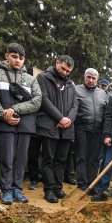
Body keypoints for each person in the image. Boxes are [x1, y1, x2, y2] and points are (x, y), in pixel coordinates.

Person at [0, 43, 42, 205]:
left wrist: (14, 108)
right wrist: (4, 115)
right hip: (4, 124)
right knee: (6, 157)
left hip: (25, 124)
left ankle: (17, 188)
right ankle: (6, 190)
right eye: (14, 56)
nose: (18, 60)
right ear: (7, 56)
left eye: (21, 58)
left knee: (20, 158)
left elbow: (37, 100)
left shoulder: (31, 79)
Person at [36, 55, 78, 203]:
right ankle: (49, 190)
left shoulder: (71, 84)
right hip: (49, 126)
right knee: (48, 159)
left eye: (68, 71)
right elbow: (44, 100)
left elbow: (75, 105)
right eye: (63, 68)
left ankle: (58, 188)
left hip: (66, 129)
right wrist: (60, 118)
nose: (64, 73)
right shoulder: (43, 78)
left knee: (61, 160)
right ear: (56, 63)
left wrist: (68, 120)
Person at [74, 68, 107, 194]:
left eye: (93, 78)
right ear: (84, 77)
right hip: (81, 128)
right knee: (81, 156)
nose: (90, 80)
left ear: (97, 80)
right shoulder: (76, 90)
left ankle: (92, 183)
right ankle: (82, 183)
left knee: (93, 158)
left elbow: (106, 113)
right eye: (88, 77)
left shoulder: (102, 93)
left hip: (97, 130)